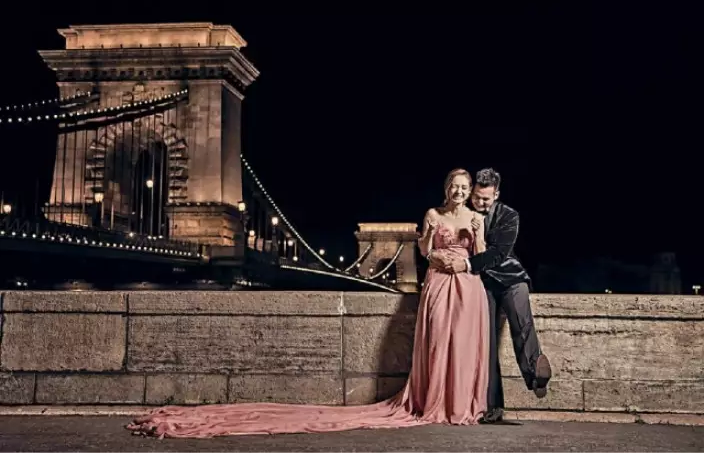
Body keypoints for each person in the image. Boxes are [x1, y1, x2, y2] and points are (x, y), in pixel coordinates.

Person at [126, 168, 491, 438]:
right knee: (437, 344)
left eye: (464, 187)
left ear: (469, 190)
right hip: (439, 283)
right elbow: (424, 250)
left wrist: (476, 238)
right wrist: (428, 237)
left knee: (463, 344)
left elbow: (482, 255)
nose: (459, 191)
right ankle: (436, 400)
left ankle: (459, 404)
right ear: (446, 188)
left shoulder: (476, 218)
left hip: (467, 285)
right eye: (454, 186)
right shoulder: (432, 215)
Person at [430, 167, 552, 424]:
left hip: (510, 277)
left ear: (496, 194)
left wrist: (466, 264)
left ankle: (535, 373)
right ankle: (492, 407)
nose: (480, 202)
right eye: (476, 196)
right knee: (486, 344)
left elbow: (498, 253)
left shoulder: (509, 216)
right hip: (482, 283)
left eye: (485, 199)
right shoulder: (466, 213)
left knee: (522, 321)